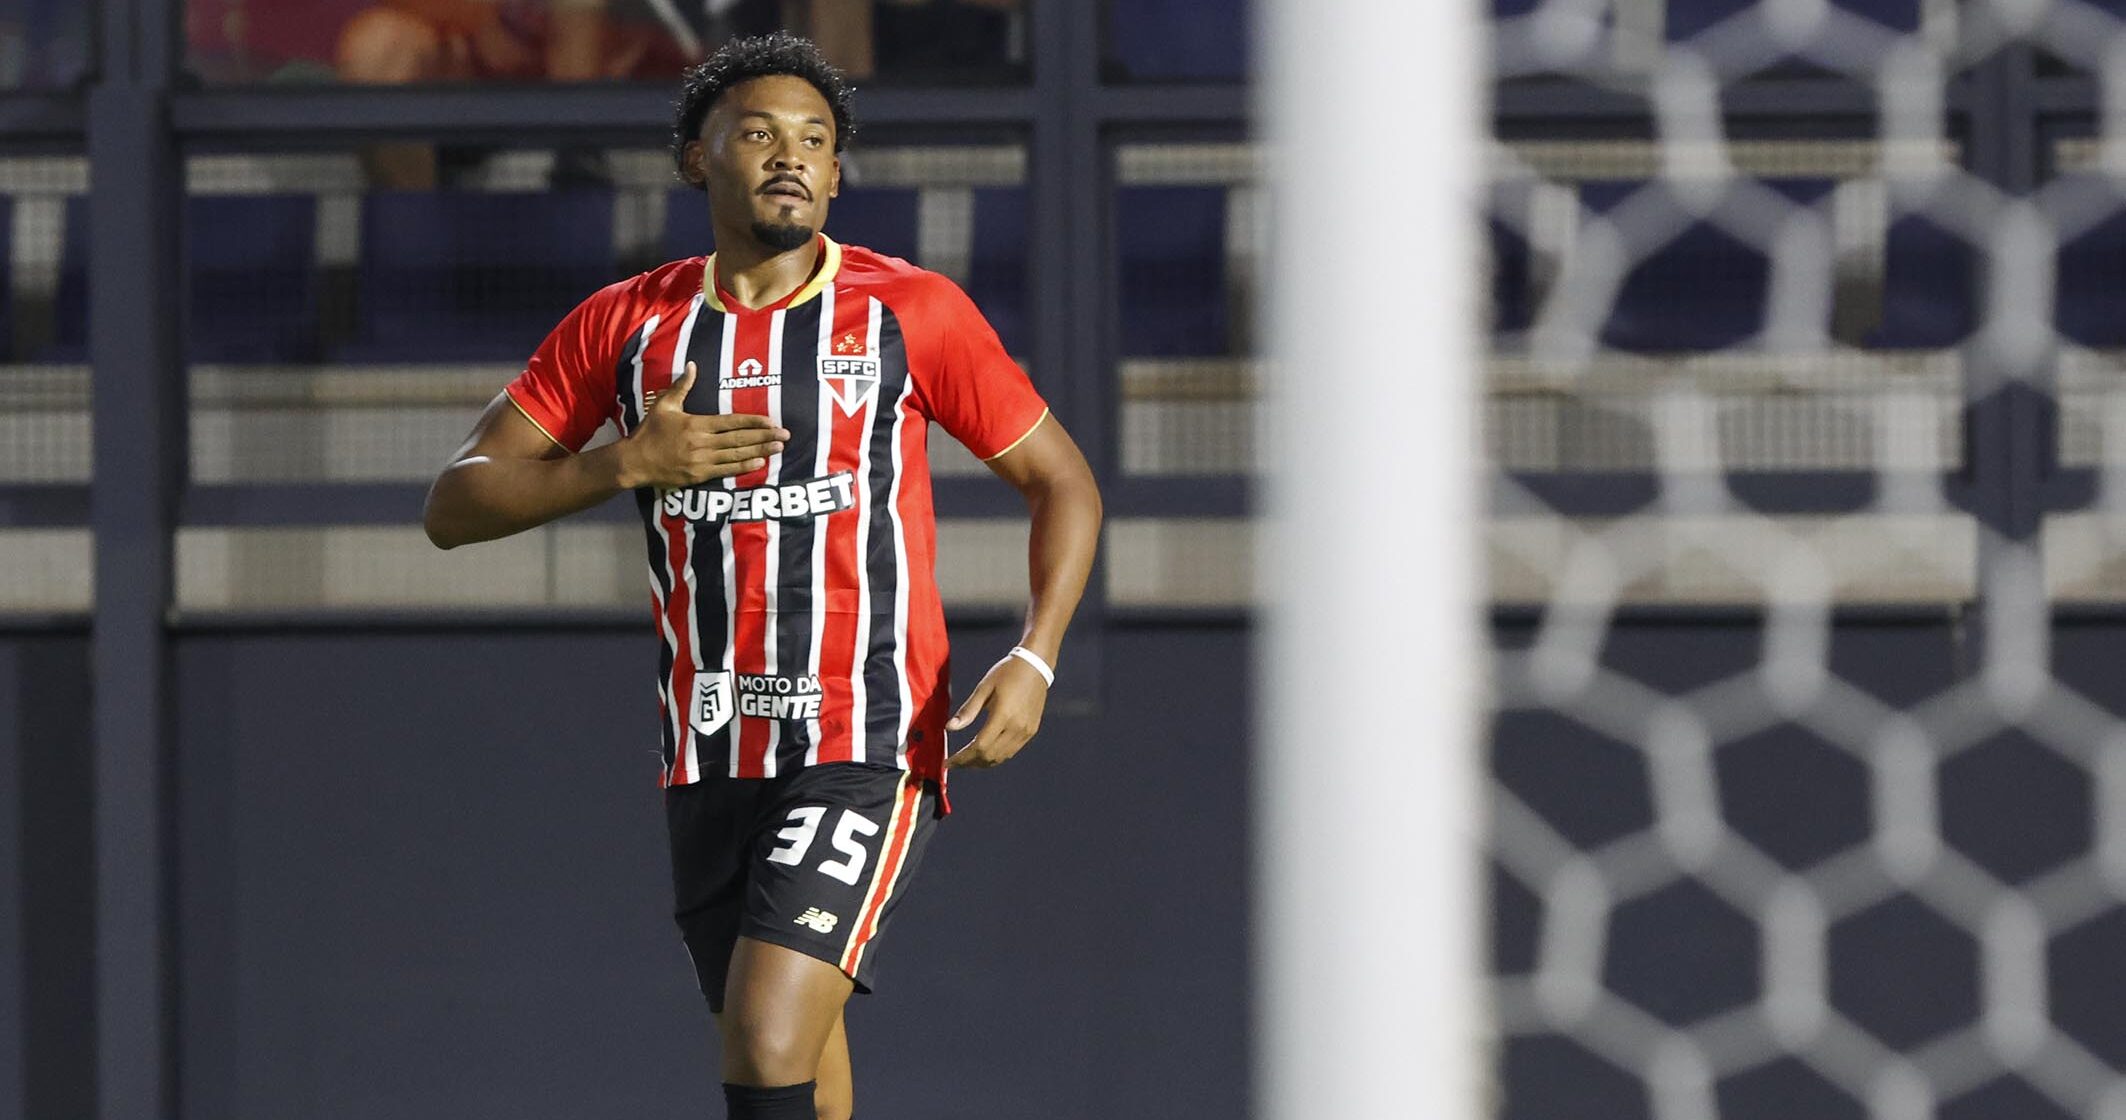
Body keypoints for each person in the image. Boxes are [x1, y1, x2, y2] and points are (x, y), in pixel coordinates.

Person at [421, 31, 1102, 1120]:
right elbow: (454, 505)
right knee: (802, 1065)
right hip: (709, 745)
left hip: (864, 736)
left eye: (816, 141)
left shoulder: (909, 310)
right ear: (698, 158)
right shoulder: (625, 323)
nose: (791, 156)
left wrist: (1037, 655)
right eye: (759, 133)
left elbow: (1061, 480)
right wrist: (621, 463)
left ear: (835, 175)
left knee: (764, 1034)